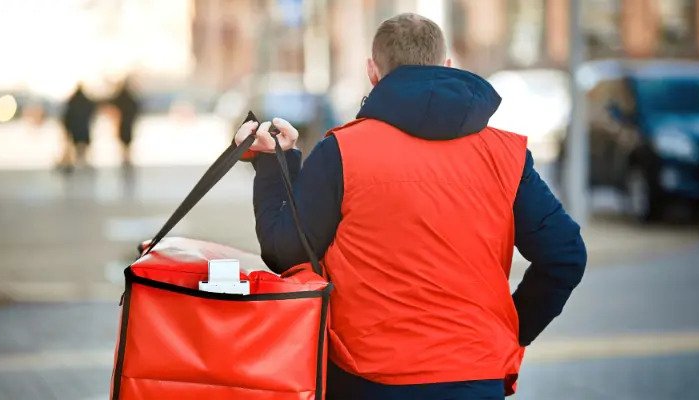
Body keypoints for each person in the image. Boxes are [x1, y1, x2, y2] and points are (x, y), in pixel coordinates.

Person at [235, 13, 587, 400]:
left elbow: (285, 251)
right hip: (474, 376)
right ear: (447, 66)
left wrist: (273, 164)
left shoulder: (343, 151)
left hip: (367, 379)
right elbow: (565, 255)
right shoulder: (506, 154)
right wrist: (509, 330)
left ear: (373, 71)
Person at [58, 83, 96, 172]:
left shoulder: (72, 101)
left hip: (74, 127)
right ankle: (83, 163)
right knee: (83, 147)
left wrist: (66, 127)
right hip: (84, 126)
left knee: (74, 146)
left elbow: (66, 114)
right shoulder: (87, 101)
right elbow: (92, 111)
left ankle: (76, 164)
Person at [110, 79, 140, 167]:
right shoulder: (130, 98)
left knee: (123, 140)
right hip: (127, 122)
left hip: (122, 122)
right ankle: (127, 157)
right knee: (127, 141)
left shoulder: (120, 98)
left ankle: (125, 157)